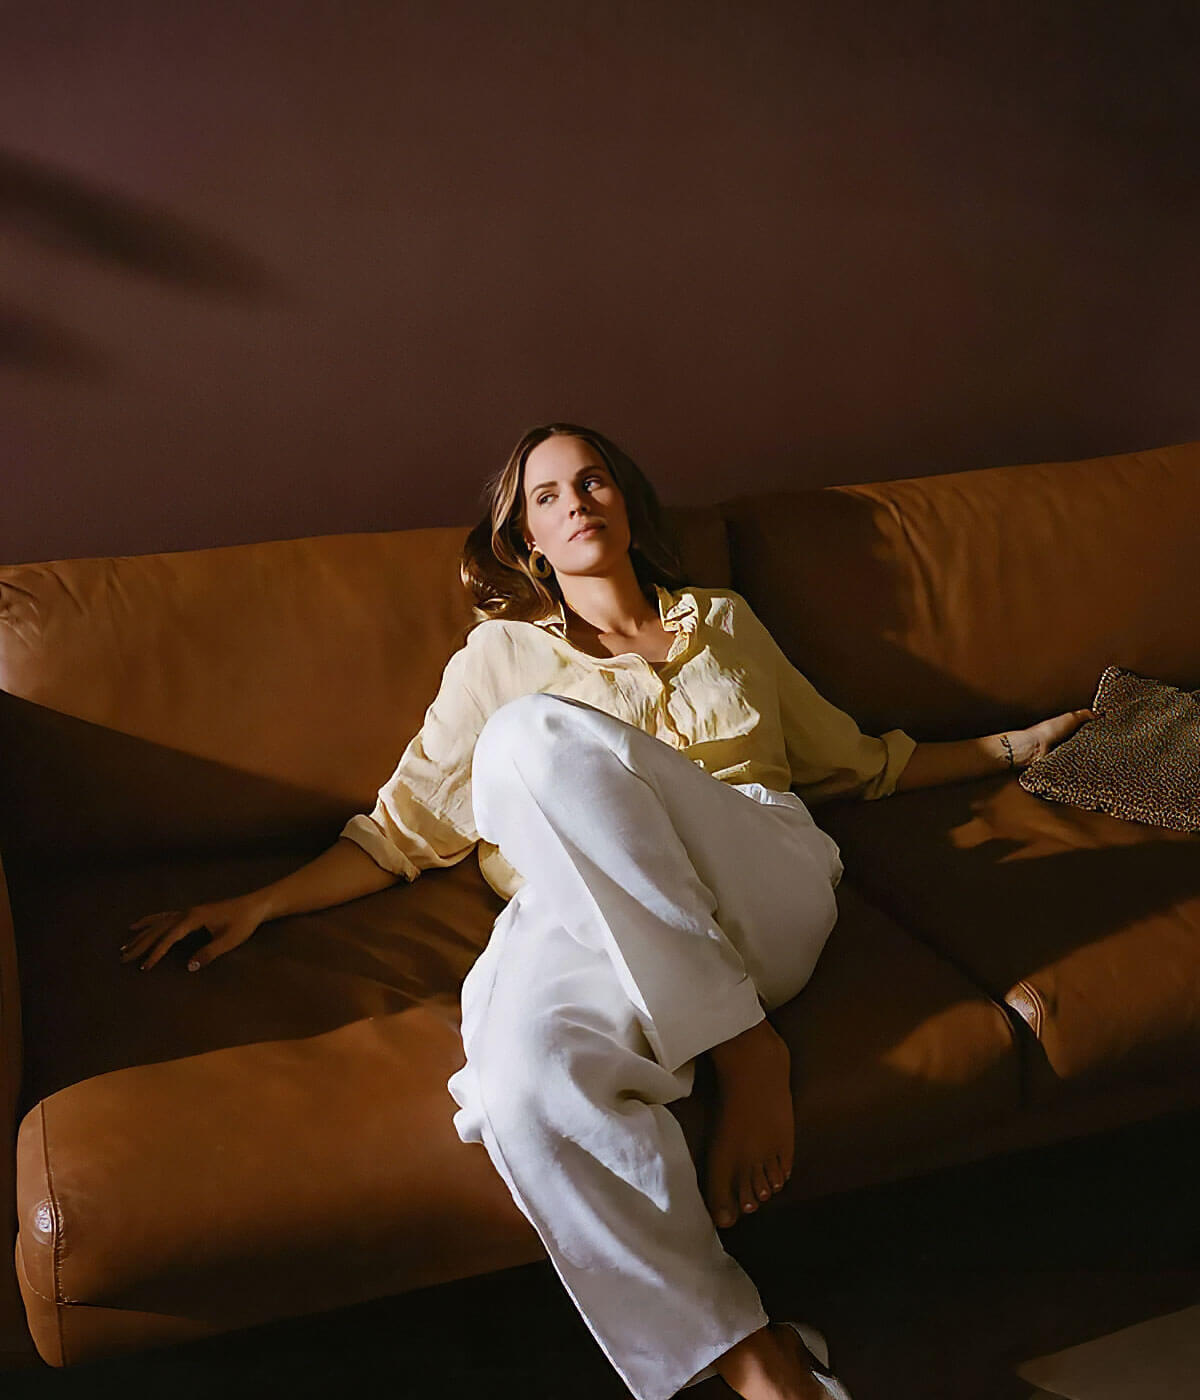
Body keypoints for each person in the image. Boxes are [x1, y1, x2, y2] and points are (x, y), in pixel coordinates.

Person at [121, 423, 1098, 1400]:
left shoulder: (724, 622)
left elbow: (858, 759)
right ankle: (763, 1361)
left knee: (529, 739)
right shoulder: (500, 657)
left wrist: (1019, 744)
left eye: (591, 481)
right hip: (584, 910)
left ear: (626, 504)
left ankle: (744, 1043)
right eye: (546, 495)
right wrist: (260, 902)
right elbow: (400, 830)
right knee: (519, 1084)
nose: (575, 501)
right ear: (527, 540)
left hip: (760, 878)